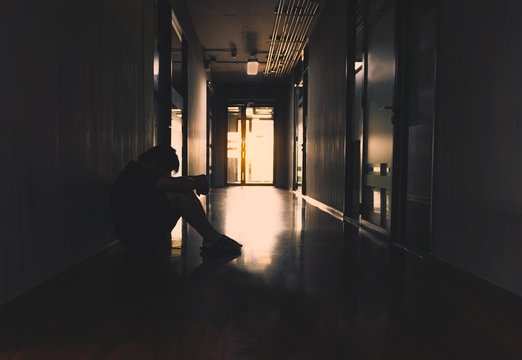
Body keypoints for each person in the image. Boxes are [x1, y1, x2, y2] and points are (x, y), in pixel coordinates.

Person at [111, 145, 242, 256]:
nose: (165, 176)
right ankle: (211, 238)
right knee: (181, 194)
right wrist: (199, 182)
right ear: (155, 165)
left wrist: (197, 180)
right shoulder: (137, 175)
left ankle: (212, 236)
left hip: (138, 232)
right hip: (137, 238)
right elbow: (180, 185)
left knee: (181, 190)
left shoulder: (138, 171)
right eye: (164, 172)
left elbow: (177, 182)